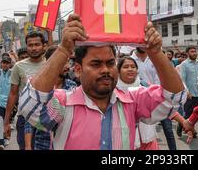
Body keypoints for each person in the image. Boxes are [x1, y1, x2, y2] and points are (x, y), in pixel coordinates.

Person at [19, 14, 186, 150]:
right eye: (96, 64)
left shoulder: (132, 101)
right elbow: (31, 106)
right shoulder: (63, 105)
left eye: (110, 63)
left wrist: (155, 52)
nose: (105, 70)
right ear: (78, 69)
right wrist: (63, 49)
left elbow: (174, 97)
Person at [3, 31, 47, 150]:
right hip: (25, 117)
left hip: (48, 118)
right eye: (30, 45)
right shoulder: (18, 66)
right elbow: (13, 94)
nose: (33, 48)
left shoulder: (50, 64)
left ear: (44, 46)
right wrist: (6, 122)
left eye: (37, 44)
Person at [132, 47, 177, 150]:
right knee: (137, 136)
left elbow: (163, 77)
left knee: (169, 130)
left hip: (158, 99)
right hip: (139, 103)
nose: (130, 68)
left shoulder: (155, 58)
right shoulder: (130, 60)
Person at [116, 56, 158, 150]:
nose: (130, 69)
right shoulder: (112, 90)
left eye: (133, 66)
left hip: (147, 139)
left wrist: (183, 121)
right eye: (126, 67)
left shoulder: (144, 85)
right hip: (124, 139)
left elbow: (160, 103)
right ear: (118, 71)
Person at [178, 46, 198, 144]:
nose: (194, 53)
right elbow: (182, 80)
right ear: (187, 53)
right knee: (188, 115)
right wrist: (186, 91)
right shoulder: (184, 65)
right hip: (190, 95)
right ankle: (181, 125)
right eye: (192, 51)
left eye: (195, 51)